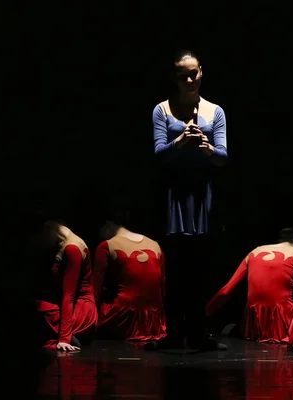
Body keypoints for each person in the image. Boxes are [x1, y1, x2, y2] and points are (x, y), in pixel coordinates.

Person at [151, 49, 228, 351]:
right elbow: (158, 155)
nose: (190, 78)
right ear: (175, 77)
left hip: (203, 197)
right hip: (176, 197)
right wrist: (180, 142)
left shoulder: (214, 111)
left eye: (194, 72)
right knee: (176, 268)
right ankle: (174, 333)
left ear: (201, 73)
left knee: (200, 267)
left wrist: (208, 148)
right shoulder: (162, 110)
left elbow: (223, 158)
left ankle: (198, 332)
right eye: (183, 74)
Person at [206, 228, 293, 343]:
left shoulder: (255, 251)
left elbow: (226, 291)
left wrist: (203, 316)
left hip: (253, 327)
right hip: (283, 327)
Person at [92, 213, 167, 342]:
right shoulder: (155, 244)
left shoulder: (106, 245)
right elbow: (162, 287)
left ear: (108, 224)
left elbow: (95, 290)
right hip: (153, 319)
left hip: (125, 317)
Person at [33, 221, 98, 351]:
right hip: (78, 308)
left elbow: (69, 295)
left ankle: (66, 334)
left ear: (50, 229)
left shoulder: (72, 248)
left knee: (37, 305)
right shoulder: (67, 244)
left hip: (80, 311)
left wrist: (64, 339)